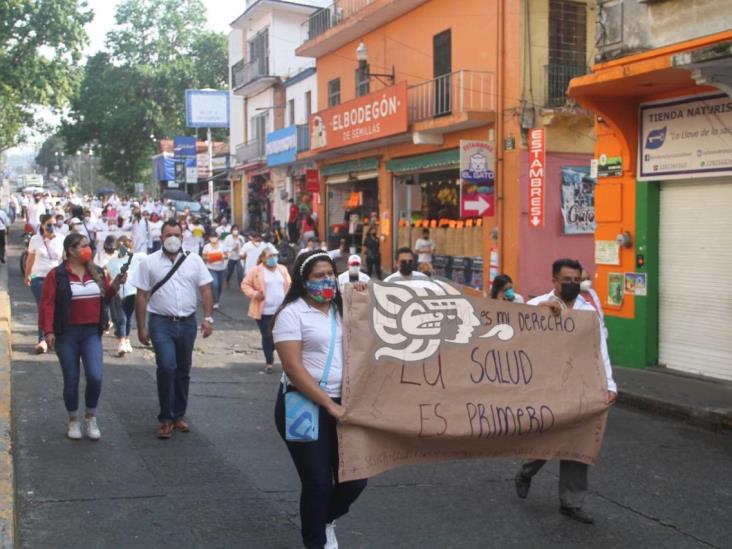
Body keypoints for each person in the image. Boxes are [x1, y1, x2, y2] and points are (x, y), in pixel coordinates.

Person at [273, 251, 368, 549]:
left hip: (345, 403)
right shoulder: (292, 314)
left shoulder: (344, 308)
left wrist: (365, 300)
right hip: (303, 404)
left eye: (329, 273)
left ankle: (325, 519)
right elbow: (293, 368)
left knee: (355, 478)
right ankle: (315, 541)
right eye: (318, 275)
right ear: (303, 281)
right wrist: (328, 404)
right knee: (317, 482)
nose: (326, 279)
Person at [514, 258, 617, 525]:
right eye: (567, 280)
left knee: (578, 440)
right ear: (554, 281)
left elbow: (599, 348)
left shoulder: (589, 309)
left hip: (580, 384)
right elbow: (515, 331)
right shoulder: (537, 305)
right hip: (548, 385)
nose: (572, 285)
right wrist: (538, 313)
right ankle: (527, 470)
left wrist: (609, 384)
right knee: (550, 435)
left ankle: (572, 502)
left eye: (576, 280)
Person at [38, 233, 127, 440]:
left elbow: (106, 296)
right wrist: (48, 331)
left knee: (95, 376)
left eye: (89, 245)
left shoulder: (95, 271)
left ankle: (90, 417)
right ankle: (73, 420)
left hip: (91, 333)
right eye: (83, 246)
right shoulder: (57, 275)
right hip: (66, 334)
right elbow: (47, 304)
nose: (89, 249)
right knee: (71, 379)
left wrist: (115, 284)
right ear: (71, 250)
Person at [131, 220, 214, 439]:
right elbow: (141, 295)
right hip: (160, 323)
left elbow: (205, 289)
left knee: (183, 370)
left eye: (176, 234)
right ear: (161, 238)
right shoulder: (149, 263)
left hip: (187, 323)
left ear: (182, 236)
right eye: (168, 235)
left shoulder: (194, 261)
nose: (173, 238)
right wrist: (141, 327)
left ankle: (179, 416)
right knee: (167, 366)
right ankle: (166, 418)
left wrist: (208, 318)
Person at [241, 245, 291, 374]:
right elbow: (245, 284)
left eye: (275, 256)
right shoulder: (256, 271)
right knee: (267, 335)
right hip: (264, 311)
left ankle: (280, 355)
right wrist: (255, 294)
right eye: (270, 256)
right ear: (263, 258)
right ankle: (269, 361)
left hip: (281, 310)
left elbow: (289, 285)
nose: (273, 259)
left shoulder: (282, 269)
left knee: (281, 335)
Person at [25, 214, 65, 353]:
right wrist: (27, 275)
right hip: (39, 278)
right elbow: (30, 260)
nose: (52, 227)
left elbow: (65, 259)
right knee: (43, 306)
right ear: (42, 225)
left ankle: (52, 336)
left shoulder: (61, 239)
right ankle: (42, 339)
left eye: (54, 224)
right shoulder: (35, 240)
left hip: (57, 279)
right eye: (49, 224)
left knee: (57, 307)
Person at [107, 236, 145, 357]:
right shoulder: (113, 261)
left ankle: (127, 338)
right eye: (122, 246)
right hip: (118, 293)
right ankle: (121, 341)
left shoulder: (136, 258)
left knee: (129, 317)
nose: (124, 249)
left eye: (127, 246)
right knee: (122, 317)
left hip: (132, 292)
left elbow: (149, 259)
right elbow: (112, 275)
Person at [202, 230, 227, 310]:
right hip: (211, 268)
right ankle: (215, 301)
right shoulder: (207, 247)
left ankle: (217, 299)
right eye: (212, 237)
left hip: (221, 268)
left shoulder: (222, 246)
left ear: (218, 237)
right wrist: (209, 257)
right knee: (215, 285)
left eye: (215, 237)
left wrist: (223, 257)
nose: (213, 239)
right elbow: (203, 257)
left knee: (219, 286)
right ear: (209, 238)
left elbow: (226, 255)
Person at [580, 269, 608, 339]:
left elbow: (600, 315)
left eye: (588, 278)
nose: (586, 281)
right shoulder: (574, 298)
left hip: (600, 335)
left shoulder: (592, 293)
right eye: (583, 279)